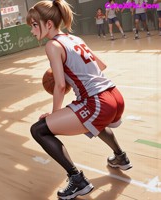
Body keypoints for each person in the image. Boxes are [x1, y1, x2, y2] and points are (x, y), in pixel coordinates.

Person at [27, 1, 132, 199]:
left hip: (98, 102)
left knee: (39, 129)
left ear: (48, 24)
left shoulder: (52, 45)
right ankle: (120, 157)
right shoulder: (74, 38)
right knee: (92, 120)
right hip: (115, 95)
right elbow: (101, 65)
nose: (32, 31)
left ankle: (77, 180)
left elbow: (59, 86)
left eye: (34, 25)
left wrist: (54, 114)